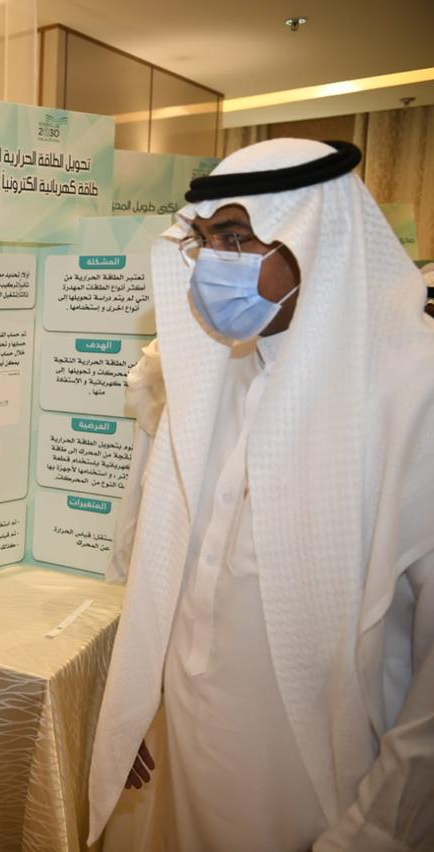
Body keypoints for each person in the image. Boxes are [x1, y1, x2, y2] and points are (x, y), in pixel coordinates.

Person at [88, 138, 434, 851]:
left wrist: (377, 827)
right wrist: (140, 702)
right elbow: (173, 569)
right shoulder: (212, 372)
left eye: (238, 238)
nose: (213, 262)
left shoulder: (413, 391)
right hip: (189, 740)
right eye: (206, 239)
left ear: (314, 241)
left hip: (323, 783)